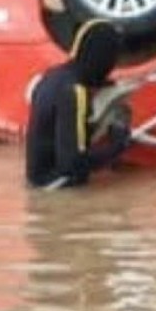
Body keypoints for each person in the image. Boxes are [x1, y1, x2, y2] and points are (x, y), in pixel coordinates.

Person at [25, 19, 132, 189]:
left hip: (36, 181)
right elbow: (71, 164)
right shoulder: (75, 92)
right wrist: (116, 147)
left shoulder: (52, 76)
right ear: (102, 58)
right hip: (57, 187)